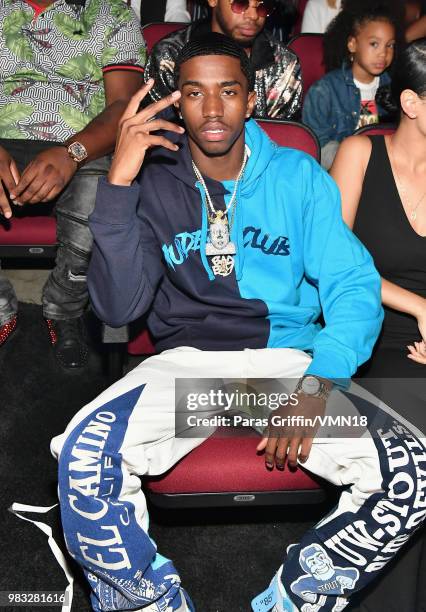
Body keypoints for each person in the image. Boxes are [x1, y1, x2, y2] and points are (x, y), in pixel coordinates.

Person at [42, 33, 426, 612]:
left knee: (413, 473)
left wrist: (319, 382)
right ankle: (153, 603)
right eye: (194, 94)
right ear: (176, 102)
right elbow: (118, 311)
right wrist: (117, 186)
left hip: (284, 372)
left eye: (229, 92)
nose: (213, 109)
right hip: (189, 376)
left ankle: (294, 599)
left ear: (251, 100)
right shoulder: (149, 179)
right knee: (81, 457)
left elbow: (352, 284)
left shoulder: (298, 175)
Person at [330, 38, 426, 612]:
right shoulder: (359, 153)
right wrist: (419, 308)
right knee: (412, 461)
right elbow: (336, 265)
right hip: (379, 334)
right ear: (412, 103)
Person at [0, 0, 145, 366]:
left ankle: (63, 308)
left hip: (84, 142)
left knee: (102, 197)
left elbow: (124, 106)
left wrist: (72, 152)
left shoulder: (111, 13)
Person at [144, 0, 302, 119]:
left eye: (262, 7)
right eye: (241, 3)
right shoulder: (170, 55)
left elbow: (282, 143)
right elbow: (158, 132)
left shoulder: (284, 64)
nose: (253, 16)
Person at [302, 1, 400, 169]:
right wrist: (357, 165)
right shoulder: (324, 91)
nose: (383, 53)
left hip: (386, 170)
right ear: (352, 44)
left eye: (389, 45)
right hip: (339, 171)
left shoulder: (396, 88)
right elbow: (316, 146)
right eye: (374, 44)